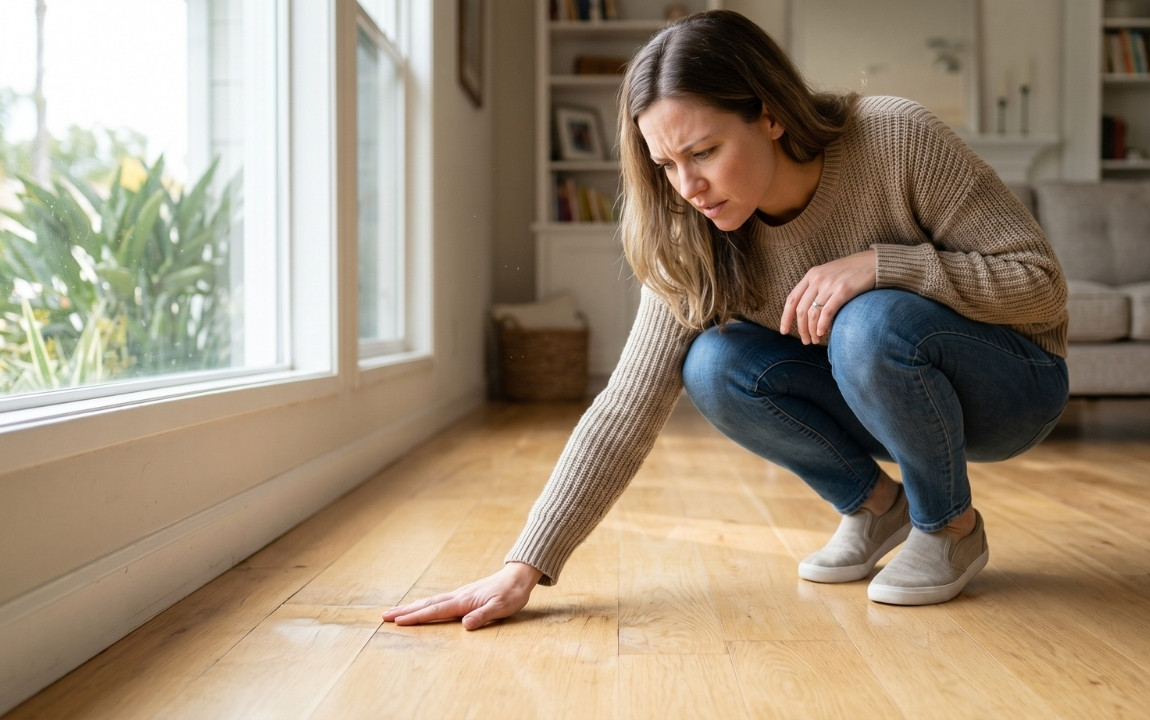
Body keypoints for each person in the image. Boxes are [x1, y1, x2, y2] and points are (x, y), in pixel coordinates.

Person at [383, 9, 1068, 629]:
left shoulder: (894, 137)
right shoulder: (691, 230)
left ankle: (950, 529)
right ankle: (876, 509)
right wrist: (524, 566)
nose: (687, 188)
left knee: (868, 318)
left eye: (704, 152)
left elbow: (1042, 288)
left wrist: (885, 265)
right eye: (666, 164)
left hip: (1012, 385)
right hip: (881, 391)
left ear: (769, 114)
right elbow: (626, 407)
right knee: (712, 364)